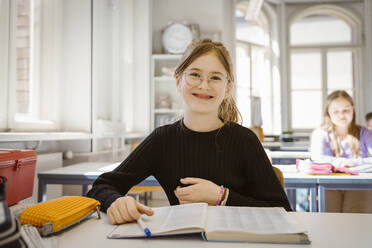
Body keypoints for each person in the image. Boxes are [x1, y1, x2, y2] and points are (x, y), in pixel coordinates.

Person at [87, 39, 291, 225]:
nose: (204, 85)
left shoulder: (245, 140)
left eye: (215, 77)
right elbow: (101, 187)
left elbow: (282, 210)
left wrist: (222, 196)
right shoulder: (162, 140)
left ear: (228, 88)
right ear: (178, 80)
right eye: (195, 75)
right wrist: (116, 201)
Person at [310, 90, 372, 213]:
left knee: (357, 224)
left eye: (346, 110)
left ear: (353, 109)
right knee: (330, 224)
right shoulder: (320, 134)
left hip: (359, 186)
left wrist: (351, 163)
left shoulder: (365, 133)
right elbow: (317, 157)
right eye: (336, 111)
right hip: (328, 186)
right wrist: (342, 162)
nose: (341, 115)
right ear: (328, 112)